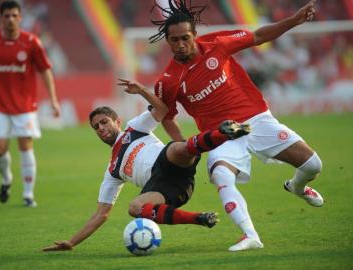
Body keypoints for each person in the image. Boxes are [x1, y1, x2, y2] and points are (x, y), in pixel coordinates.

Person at [148, 0, 324, 251]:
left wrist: (294, 20)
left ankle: (296, 186)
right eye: (174, 40)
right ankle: (250, 235)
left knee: (313, 165)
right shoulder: (168, 80)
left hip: (257, 120)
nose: (180, 45)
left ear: (194, 35)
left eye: (185, 38)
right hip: (223, 135)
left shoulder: (217, 45)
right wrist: (185, 147)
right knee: (220, 174)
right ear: (167, 41)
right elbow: (166, 116)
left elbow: (259, 35)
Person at [42, 78, 250, 251]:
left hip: (168, 160)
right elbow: (101, 214)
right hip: (168, 188)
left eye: (104, 121)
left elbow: (162, 108)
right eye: (96, 127)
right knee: (134, 207)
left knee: (176, 149)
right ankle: (200, 218)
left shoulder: (134, 129)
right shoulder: (113, 170)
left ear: (117, 121)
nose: (100, 128)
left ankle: (224, 133)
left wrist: (141, 90)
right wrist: (72, 242)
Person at [0, 0, 60, 208]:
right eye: (6, 16)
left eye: (14, 15)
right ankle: (6, 179)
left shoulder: (31, 42)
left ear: (20, 18)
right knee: (0, 149)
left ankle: (28, 194)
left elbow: (45, 71)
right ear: (0, 18)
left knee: (25, 146)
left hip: (25, 105)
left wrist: (53, 100)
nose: (10, 19)